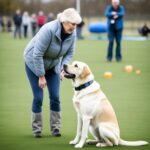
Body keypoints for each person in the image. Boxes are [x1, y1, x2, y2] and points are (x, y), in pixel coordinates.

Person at [23, 8, 82, 138]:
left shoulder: (72, 33)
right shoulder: (48, 30)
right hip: (34, 63)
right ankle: (37, 129)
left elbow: (69, 53)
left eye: (76, 24)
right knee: (38, 97)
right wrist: (41, 76)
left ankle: (56, 128)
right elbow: (37, 54)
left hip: (53, 65)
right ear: (64, 21)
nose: (75, 27)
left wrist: (62, 68)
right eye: (73, 24)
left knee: (55, 96)